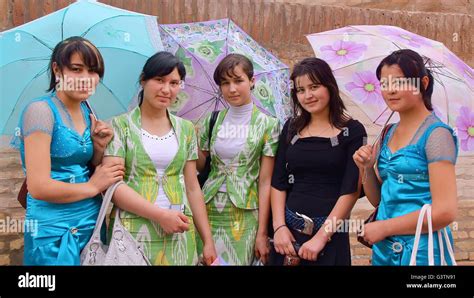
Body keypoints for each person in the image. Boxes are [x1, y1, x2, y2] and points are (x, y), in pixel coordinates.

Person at [11, 36, 123, 265]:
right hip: (53, 227)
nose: (86, 79)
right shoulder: (41, 111)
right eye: (76, 69)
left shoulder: (87, 112)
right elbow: (39, 186)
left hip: (92, 220)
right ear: (57, 69)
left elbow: (85, 166)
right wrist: (93, 186)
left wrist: (99, 148)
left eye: (93, 72)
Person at [102, 51, 217, 265]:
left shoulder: (186, 129)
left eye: (174, 83)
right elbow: (114, 186)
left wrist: (207, 240)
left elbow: (192, 187)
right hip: (132, 229)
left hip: (180, 231)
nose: (166, 89)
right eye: (159, 80)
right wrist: (161, 216)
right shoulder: (120, 126)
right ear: (143, 80)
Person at [353, 49, 458, 265]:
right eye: (384, 83)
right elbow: (380, 201)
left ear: (424, 83)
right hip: (384, 250)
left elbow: (445, 212)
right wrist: (367, 168)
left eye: (399, 83)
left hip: (422, 251)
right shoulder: (387, 133)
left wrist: (384, 227)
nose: (390, 91)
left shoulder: (437, 135)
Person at [270, 57, 366, 265]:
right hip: (288, 236)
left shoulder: (353, 131)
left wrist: (321, 237)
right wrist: (279, 227)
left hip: (329, 235)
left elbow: (351, 189)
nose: (308, 95)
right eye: (301, 90)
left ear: (329, 86)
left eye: (314, 87)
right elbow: (278, 181)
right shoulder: (291, 128)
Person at [196, 53, 280, 265]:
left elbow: (265, 180)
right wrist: (192, 142)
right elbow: (200, 165)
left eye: (238, 80)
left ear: (252, 81)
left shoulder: (268, 125)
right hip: (208, 209)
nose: (231, 89)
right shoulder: (211, 120)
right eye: (225, 83)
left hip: (245, 213)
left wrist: (262, 232)